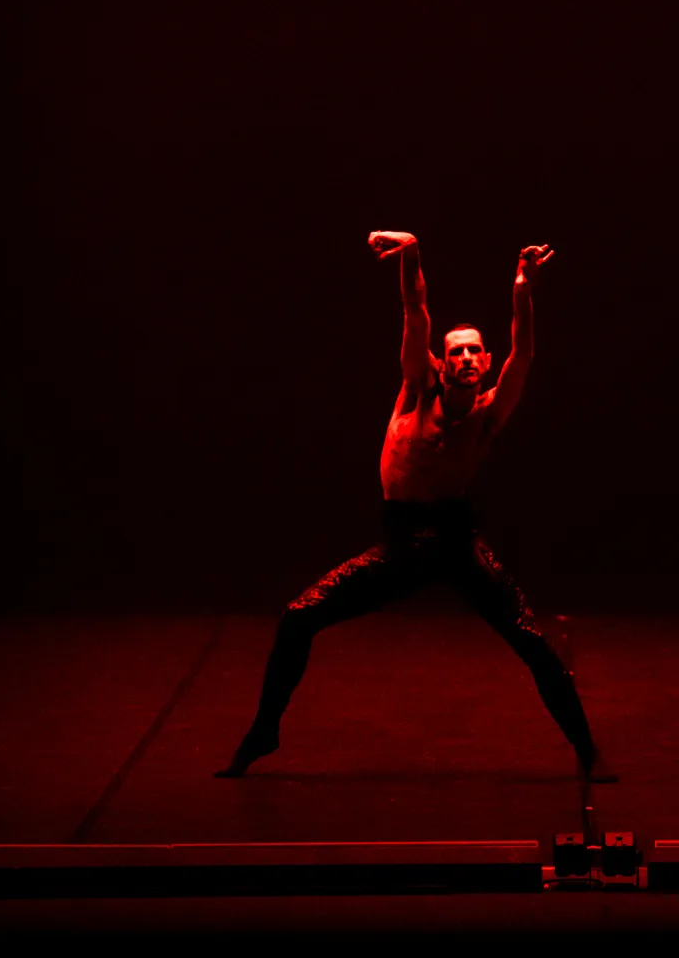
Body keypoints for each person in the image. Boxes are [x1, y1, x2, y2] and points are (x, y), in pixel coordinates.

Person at [215, 232, 612, 783]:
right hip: (402, 543)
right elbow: (416, 309)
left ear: (485, 360)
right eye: (457, 351)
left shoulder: (490, 412)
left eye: (476, 350)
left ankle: (587, 747)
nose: (468, 357)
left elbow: (525, 351)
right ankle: (265, 731)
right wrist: (413, 254)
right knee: (299, 618)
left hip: (454, 539)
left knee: (532, 641)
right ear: (441, 363)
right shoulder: (417, 389)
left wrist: (522, 288)